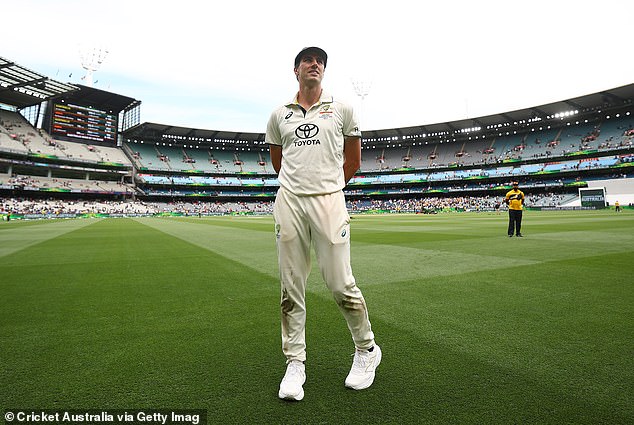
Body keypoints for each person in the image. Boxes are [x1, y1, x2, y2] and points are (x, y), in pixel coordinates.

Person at [266, 46, 381, 401]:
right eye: (308, 60)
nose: (315, 64)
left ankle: (367, 350)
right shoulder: (279, 115)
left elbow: (354, 161)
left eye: (320, 62)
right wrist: (300, 190)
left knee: (340, 284)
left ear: (324, 71)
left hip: (329, 202)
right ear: (296, 70)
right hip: (289, 204)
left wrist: (326, 190)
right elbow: (278, 163)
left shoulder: (342, 109)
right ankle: (295, 363)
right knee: (291, 288)